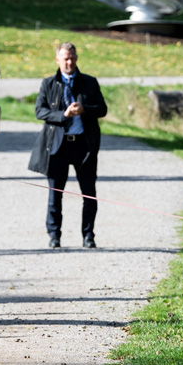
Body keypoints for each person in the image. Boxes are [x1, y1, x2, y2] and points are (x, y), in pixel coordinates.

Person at [28, 42, 108, 249]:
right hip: (58, 146)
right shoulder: (48, 83)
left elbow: (102, 109)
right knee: (55, 194)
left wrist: (84, 110)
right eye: (65, 58)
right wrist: (63, 115)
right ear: (58, 60)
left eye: (72, 58)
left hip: (84, 146)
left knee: (89, 193)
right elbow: (40, 112)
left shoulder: (89, 82)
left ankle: (88, 235)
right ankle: (54, 236)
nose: (69, 62)